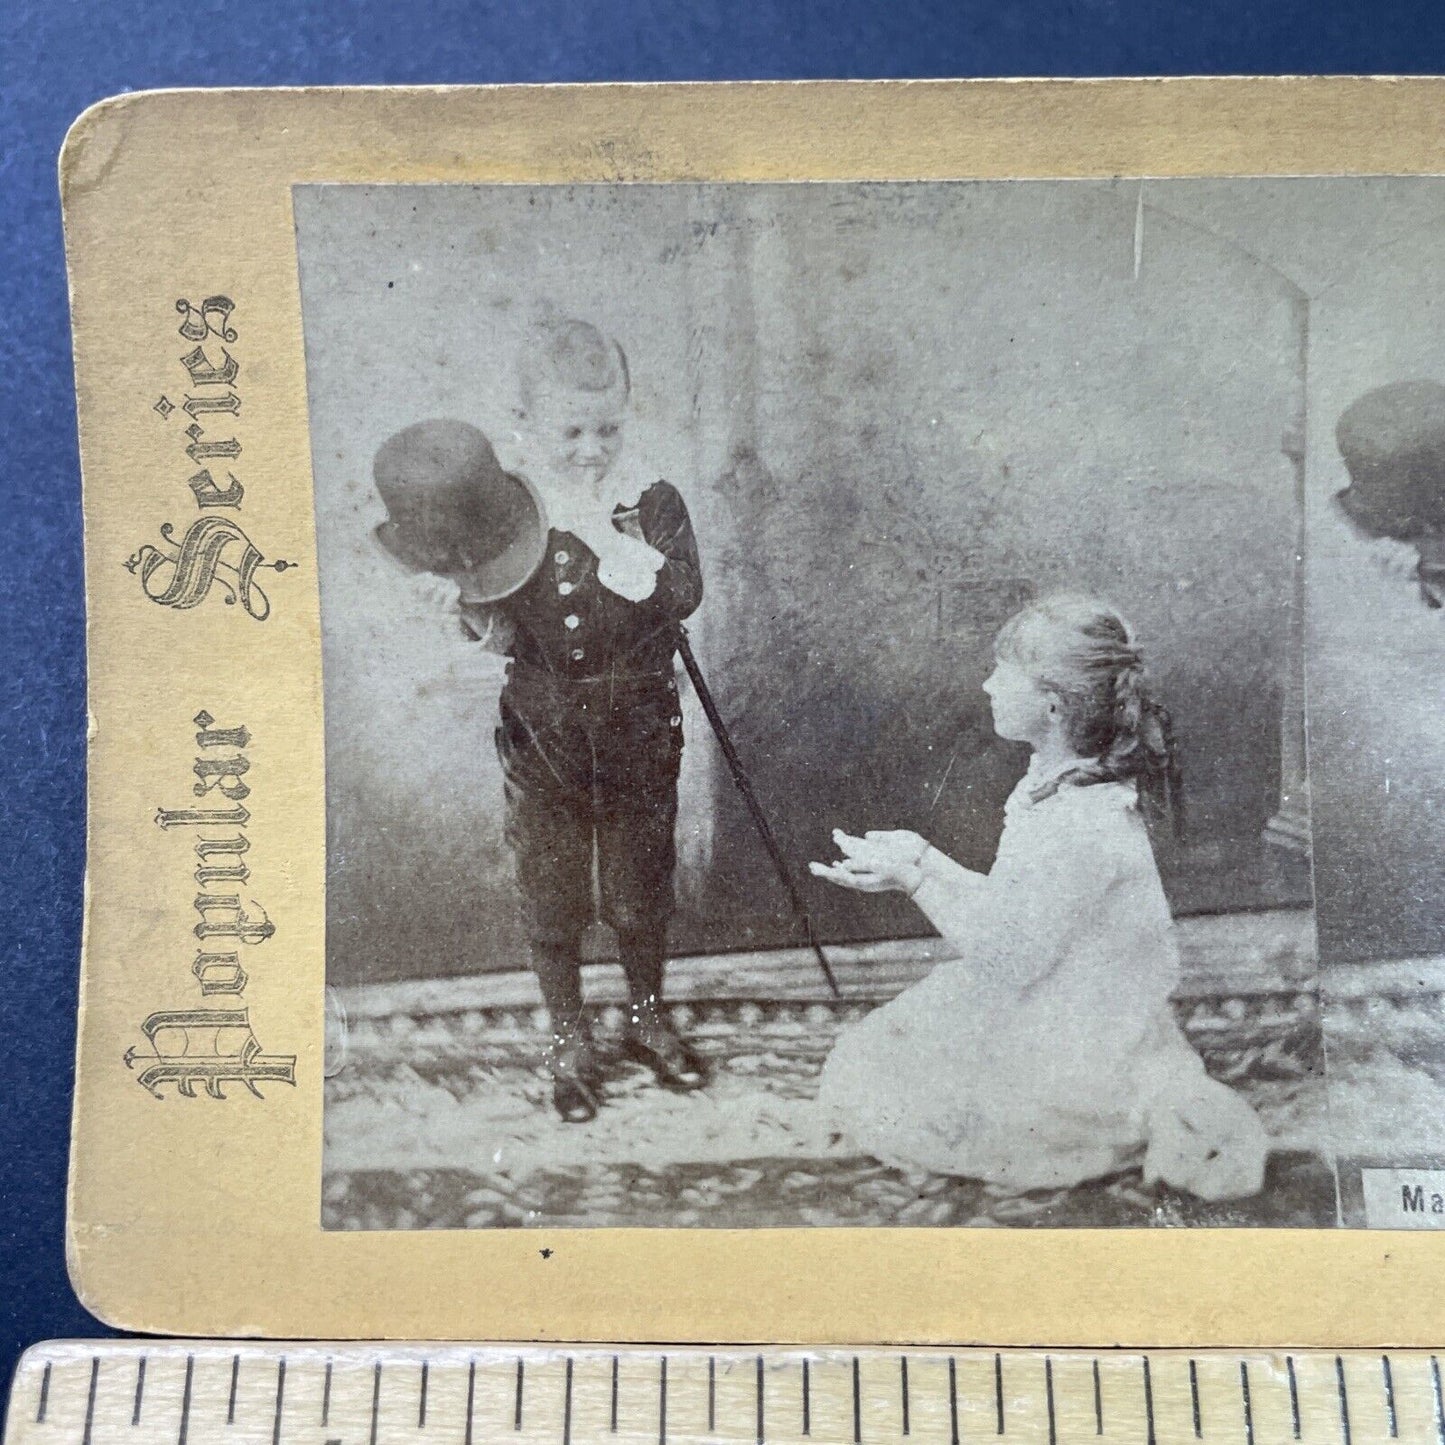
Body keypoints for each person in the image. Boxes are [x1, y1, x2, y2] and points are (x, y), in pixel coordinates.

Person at [808, 594, 1269, 1202]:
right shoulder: (1061, 787)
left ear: (1051, 705)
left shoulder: (1079, 822)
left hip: (1080, 1029)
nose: (987, 684)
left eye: (1003, 672)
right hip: (1068, 993)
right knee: (880, 1055)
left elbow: (1010, 960)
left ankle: (1101, 1120)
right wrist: (923, 857)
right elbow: (1016, 909)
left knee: (878, 1088)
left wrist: (916, 881)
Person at [405, 319, 707, 1124]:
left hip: (641, 723)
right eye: (569, 430)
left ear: (627, 417)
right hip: (543, 733)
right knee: (551, 887)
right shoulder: (508, 516)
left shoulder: (650, 500)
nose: (589, 448)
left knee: (642, 884)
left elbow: (684, 592)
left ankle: (645, 1018)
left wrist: (631, 553)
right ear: (527, 425)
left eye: (606, 427)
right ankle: (567, 1035)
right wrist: (456, 610)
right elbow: (499, 626)